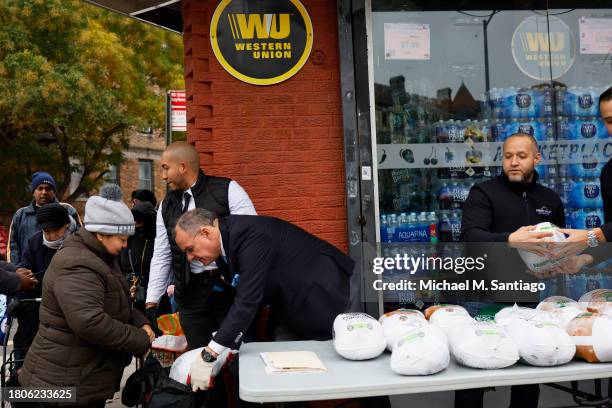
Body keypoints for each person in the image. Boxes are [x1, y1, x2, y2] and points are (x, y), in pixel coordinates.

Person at [457, 133, 581, 408]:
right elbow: (471, 238)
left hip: (526, 295)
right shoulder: (483, 192)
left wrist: (553, 267)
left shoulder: (549, 198)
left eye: (521, 156)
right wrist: (510, 240)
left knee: (529, 372)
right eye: (508, 156)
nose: (513, 162)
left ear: (537, 159)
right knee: (474, 371)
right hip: (483, 297)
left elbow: (558, 246)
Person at [173, 209, 354, 392]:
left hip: (331, 299)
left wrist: (210, 355)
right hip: (291, 310)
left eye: (190, 249)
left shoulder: (251, 236)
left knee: (358, 371)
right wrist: (230, 346)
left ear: (205, 232)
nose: (189, 258)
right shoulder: (223, 246)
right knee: (286, 379)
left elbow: (247, 300)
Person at [19, 194, 155, 407]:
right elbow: (90, 322)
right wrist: (139, 340)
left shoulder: (101, 257)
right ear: (101, 234)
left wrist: (141, 322)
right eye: (122, 239)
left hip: (80, 378)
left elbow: (116, 301)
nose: (126, 245)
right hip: (61, 386)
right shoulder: (78, 262)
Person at [145, 141, 256, 350]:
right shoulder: (167, 205)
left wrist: (247, 286)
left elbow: (252, 242)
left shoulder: (228, 190)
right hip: (190, 296)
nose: (163, 176)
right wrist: (151, 301)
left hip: (230, 291)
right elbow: (161, 254)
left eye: (166, 168)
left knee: (240, 360)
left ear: (183, 167)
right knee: (197, 360)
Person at [13, 203, 73, 366]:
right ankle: (19, 373)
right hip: (37, 302)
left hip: (68, 305)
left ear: (66, 225)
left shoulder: (76, 243)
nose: (51, 236)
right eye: (47, 231)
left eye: (56, 231)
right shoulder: (35, 241)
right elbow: (24, 267)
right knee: (26, 332)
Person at [558, 87, 611, 251]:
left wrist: (592, 236)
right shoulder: (609, 173)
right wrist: (584, 259)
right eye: (610, 121)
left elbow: (604, 234)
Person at [8, 171, 80, 265]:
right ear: (33, 192)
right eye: (40, 188)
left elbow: (79, 238)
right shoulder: (21, 214)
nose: (44, 192)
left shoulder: (67, 210)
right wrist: (17, 270)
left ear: (53, 191)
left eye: (48, 189)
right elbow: (13, 245)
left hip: (61, 268)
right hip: (28, 271)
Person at [119, 199, 157, 313]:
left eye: (139, 220)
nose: (136, 223)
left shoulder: (155, 240)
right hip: (128, 288)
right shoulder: (127, 239)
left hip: (150, 288)